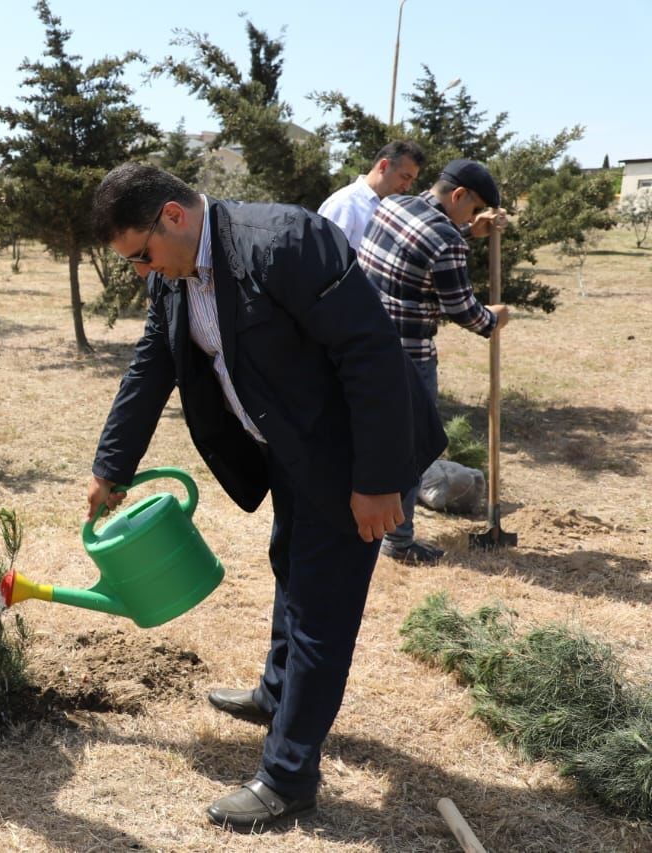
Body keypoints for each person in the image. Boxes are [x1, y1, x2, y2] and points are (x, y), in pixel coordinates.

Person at [87, 163, 445, 831]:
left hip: (351, 459)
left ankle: (287, 777)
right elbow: (152, 364)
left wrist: (375, 481)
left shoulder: (281, 242)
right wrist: (111, 467)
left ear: (173, 215)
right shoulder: (178, 275)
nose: (142, 272)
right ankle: (276, 695)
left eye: (141, 255)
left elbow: (369, 351)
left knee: (320, 611)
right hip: (294, 451)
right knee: (291, 568)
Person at [359, 158, 510, 565]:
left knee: (371, 438)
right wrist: (495, 317)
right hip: (409, 359)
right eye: (474, 209)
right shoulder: (447, 241)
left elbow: (420, 242)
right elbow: (464, 310)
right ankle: (399, 539)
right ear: (459, 195)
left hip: (362, 345)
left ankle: (372, 522)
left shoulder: (393, 205)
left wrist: (466, 228)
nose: (475, 217)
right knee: (410, 448)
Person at [317, 140, 426, 250]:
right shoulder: (343, 204)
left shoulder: (392, 208)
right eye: (405, 177)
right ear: (383, 166)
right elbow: (327, 258)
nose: (407, 187)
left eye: (412, 181)